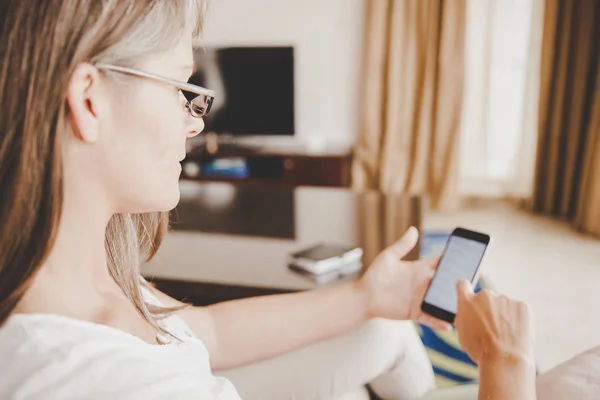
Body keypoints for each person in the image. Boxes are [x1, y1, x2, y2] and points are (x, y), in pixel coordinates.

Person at [0, 1, 536, 399]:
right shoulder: (110, 383)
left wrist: (369, 295)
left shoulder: (72, 268)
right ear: (89, 101)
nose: (195, 120)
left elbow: (199, 331)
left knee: (383, 328)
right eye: (182, 88)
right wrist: (506, 364)